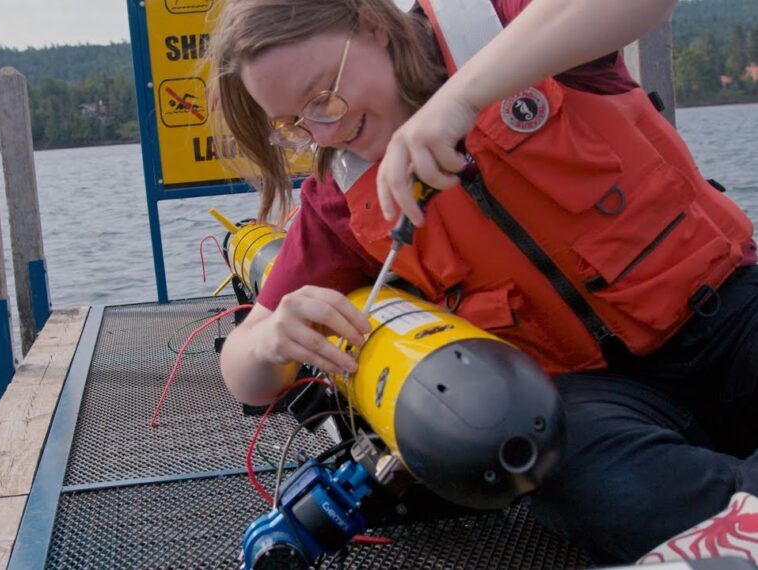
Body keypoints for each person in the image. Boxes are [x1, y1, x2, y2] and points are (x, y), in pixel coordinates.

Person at [208, 0, 758, 564]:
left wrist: (463, 99)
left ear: (370, 26)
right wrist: (271, 338)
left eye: (325, 95)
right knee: (587, 483)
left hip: (729, 317)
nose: (326, 130)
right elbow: (245, 372)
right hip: (594, 401)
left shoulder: (505, 24)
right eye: (297, 124)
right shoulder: (340, 200)